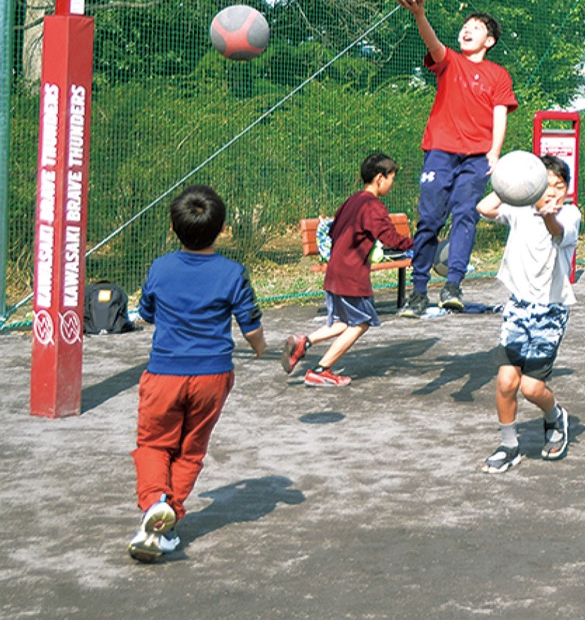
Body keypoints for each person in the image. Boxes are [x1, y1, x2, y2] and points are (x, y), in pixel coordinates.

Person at [128, 184, 266, 562]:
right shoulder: (233, 272)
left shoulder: (160, 267)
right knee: (191, 451)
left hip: (164, 374)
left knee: (154, 444)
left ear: (174, 229)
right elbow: (250, 324)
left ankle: (155, 503)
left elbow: (147, 314)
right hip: (213, 376)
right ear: (222, 230)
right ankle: (166, 521)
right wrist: (260, 349)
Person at [395, 0, 517, 316]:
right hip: (440, 151)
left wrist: (494, 152)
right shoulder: (449, 60)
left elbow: (500, 114)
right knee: (430, 221)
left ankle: (452, 286)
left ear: (488, 41)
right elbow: (431, 41)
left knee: (466, 215)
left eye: (475, 28)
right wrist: (420, 14)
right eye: (465, 27)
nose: (467, 30)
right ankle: (418, 291)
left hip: (477, 157)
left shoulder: (498, 75)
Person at [476, 155, 581, 473]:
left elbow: (558, 232)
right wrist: (510, 178)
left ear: (567, 190)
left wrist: (548, 213)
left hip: (550, 312)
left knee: (532, 388)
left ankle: (555, 416)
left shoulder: (570, 214)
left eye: (559, 186)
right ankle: (509, 446)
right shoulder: (519, 208)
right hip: (518, 308)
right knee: (506, 381)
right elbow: (484, 208)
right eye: (545, 185)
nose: (552, 192)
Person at [283, 153, 414, 387]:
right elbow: (391, 239)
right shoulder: (374, 206)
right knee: (362, 323)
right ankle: (321, 370)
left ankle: (304, 342)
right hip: (352, 275)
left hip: (335, 271)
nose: (392, 183)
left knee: (343, 322)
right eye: (392, 178)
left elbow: (333, 233)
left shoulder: (352, 201)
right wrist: (418, 244)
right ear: (379, 178)